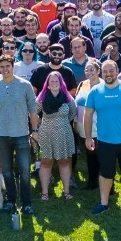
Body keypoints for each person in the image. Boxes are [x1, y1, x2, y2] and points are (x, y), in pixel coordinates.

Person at [82, 59, 121, 215]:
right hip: (104, 142)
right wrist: (88, 137)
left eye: (111, 71)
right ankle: (104, 203)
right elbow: (88, 115)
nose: (108, 74)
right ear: (101, 73)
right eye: (105, 71)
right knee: (105, 174)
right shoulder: (95, 91)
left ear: (117, 71)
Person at [0, 53, 40, 216]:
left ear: (13, 67)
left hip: (22, 135)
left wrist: (35, 131)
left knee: (24, 171)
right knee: (8, 171)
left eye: (7, 66)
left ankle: (26, 204)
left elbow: (33, 110)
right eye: (1, 67)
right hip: (2, 135)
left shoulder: (25, 85)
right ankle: (11, 201)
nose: (5, 69)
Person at [35, 71, 78, 200]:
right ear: (47, 84)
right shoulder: (41, 98)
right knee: (46, 163)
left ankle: (66, 192)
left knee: (64, 162)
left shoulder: (68, 98)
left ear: (61, 83)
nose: (54, 83)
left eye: (56, 81)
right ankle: (44, 193)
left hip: (64, 133)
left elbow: (72, 113)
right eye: (51, 81)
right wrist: (37, 126)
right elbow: (33, 113)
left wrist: (62, 122)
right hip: (46, 134)